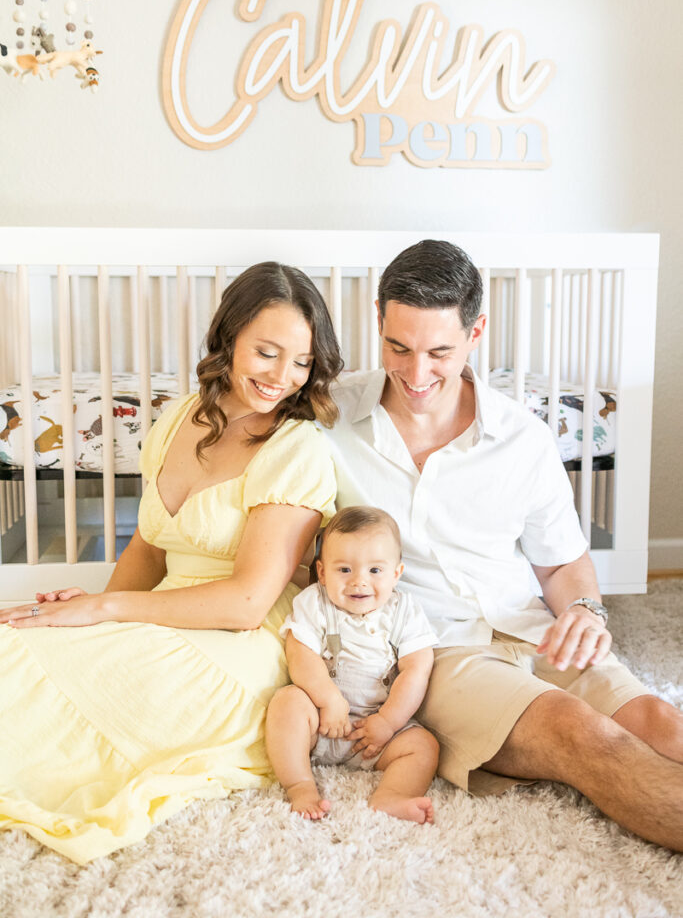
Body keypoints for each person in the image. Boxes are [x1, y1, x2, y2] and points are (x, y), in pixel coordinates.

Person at [323, 239, 683, 852]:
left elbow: (563, 561)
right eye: (398, 348)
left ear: (476, 331)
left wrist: (585, 610)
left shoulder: (522, 436)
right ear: (378, 318)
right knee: (581, 734)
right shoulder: (327, 417)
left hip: (528, 625)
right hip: (433, 653)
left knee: (659, 723)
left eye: (439, 351)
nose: (416, 375)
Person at [0, 261, 342, 864]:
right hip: (165, 612)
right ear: (230, 335)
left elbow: (246, 603)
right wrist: (93, 617)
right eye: (266, 352)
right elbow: (149, 548)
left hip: (241, 643)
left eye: (301, 362)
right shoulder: (177, 418)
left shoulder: (297, 447)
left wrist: (108, 608)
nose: (282, 376)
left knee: (63, 683)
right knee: (22, 642)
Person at [266, 505, 439, 824]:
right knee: (286, 703)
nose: (359, 581)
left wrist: (388, 722)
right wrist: (329, 700)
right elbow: (299, 653)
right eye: (344, 570)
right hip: (320, 723)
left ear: (396, 574)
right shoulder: (314, 602)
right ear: (321, 572)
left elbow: (417, 668)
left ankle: (391, 795)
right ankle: (300, 785)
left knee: (423, 745)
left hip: (375, 734)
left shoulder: (405, 610)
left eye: (375, 571)